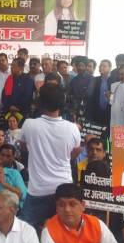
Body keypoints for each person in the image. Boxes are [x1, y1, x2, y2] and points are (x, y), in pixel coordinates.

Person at [20, 83, 81, 228]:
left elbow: (23, 147)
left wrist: (38, 153)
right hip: (64, 189)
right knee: (64, 232)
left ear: (40, 102)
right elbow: (76, 152)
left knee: (27, 232)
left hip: (37, 190)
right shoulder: (73, 128)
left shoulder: (29, 125)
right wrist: (63, 158)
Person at [67, 56, 93, 122]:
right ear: (76, 66)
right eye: (78, 65)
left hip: (88, 111)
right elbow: (69, 95)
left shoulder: (92, 79)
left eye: (82, 66)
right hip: (75, 111)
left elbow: (90, 96)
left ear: (86, 66)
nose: (80, 68)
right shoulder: (73, 80)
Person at [90, 59, 112, 127]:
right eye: (100, 66)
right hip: (96, 111)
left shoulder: (114, 81)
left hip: (109, 111)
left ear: (110, 68)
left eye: (104, 66)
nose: (101, 67)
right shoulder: (95, 80)